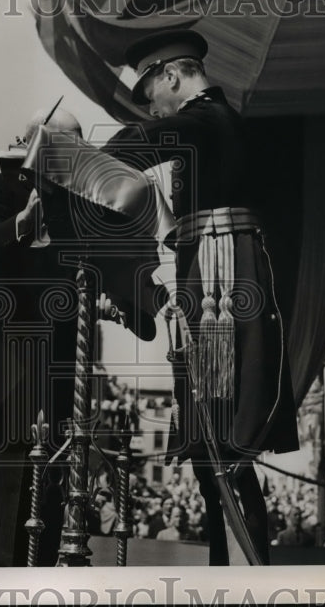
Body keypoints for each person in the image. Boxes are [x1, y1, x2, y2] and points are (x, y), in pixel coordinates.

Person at [101, 29, 300, 565]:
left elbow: (133, 147)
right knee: (213, 452)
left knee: (224, 444)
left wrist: (68, 162)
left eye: (153, 93)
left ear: (171, 75)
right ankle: (229, 575)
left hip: (219, 287)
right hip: (209, 283)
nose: (155, 106)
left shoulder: (208, 120)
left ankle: (241, 581)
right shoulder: (214, 126)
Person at [0, 107, 84, 566]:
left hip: (58, 357)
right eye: (68, 144)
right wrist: (25, 220)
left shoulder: (76, 199)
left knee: (53, 467)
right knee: (9, 467)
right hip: (12, 356)